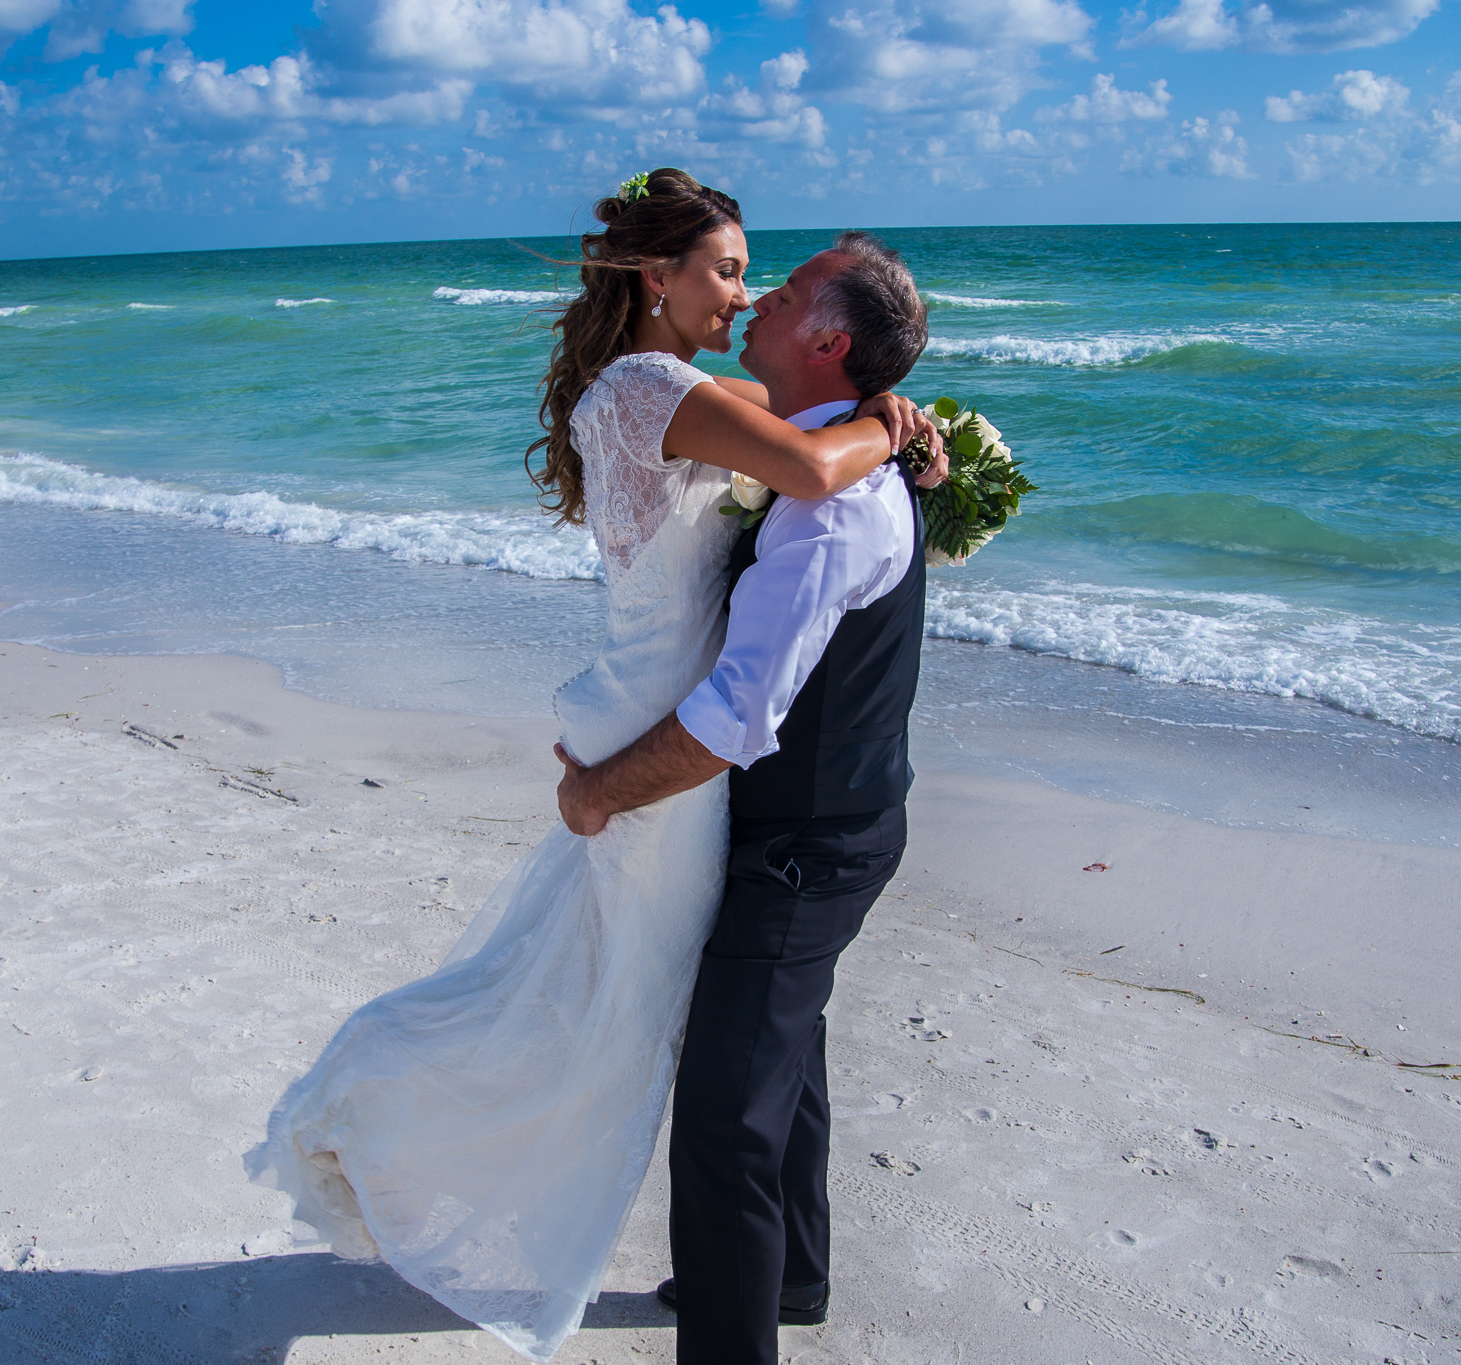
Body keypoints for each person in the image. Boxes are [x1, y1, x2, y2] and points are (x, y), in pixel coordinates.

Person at [249, 170, 944, 1363]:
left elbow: (798, 449)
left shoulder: (690, 390)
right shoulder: (650, 387)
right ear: (653, 276)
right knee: (646, 1014)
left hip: (697, 742)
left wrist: (875, 421)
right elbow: (812, 468)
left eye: (757, 278)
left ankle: (782, 1280)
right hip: (666, 740)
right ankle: (389, 1105)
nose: (744, 292)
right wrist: (888, 421)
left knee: (733, 1046)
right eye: (728, 270)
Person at [552, 230, 933, 1365]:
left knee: (723, 1122)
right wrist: (895, 427)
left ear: (823, 338)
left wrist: (597, 798)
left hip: (803, 846)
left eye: (784, 285)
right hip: (835, 820)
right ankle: (796, 1278)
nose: (756, 295)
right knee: (782, 1051)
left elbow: (735, 716)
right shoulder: (818, 450)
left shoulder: (826, 502)